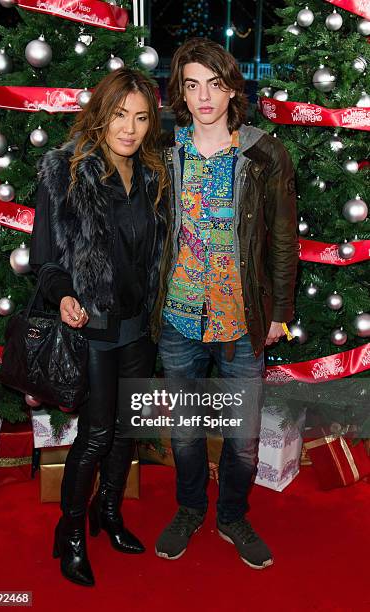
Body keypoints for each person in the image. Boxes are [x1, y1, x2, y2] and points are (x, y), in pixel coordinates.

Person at [155, 38, 299, 569]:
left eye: (214, 83)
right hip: (178, 318)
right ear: (181, 93)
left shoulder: (265, 153)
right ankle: (190, 509)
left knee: (242, 438)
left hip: (243, 319)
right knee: (185, 432)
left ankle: (233, 516)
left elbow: (283, 241)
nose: (204, 96)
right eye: (192, 85)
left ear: (232, 87)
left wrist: (280, 314)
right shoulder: (164, 151)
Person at [29, 68, 171, 587]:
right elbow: (43, 257)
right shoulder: (64, 171)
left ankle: (107, 512)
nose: (129, 129)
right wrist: (64, 294)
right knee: (96, 434)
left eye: (140, 117)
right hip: (92, 325)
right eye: (118, 115)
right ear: (100, 114)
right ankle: (68, 532)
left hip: (140, 325)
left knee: (127, 432)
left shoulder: (153, 173)